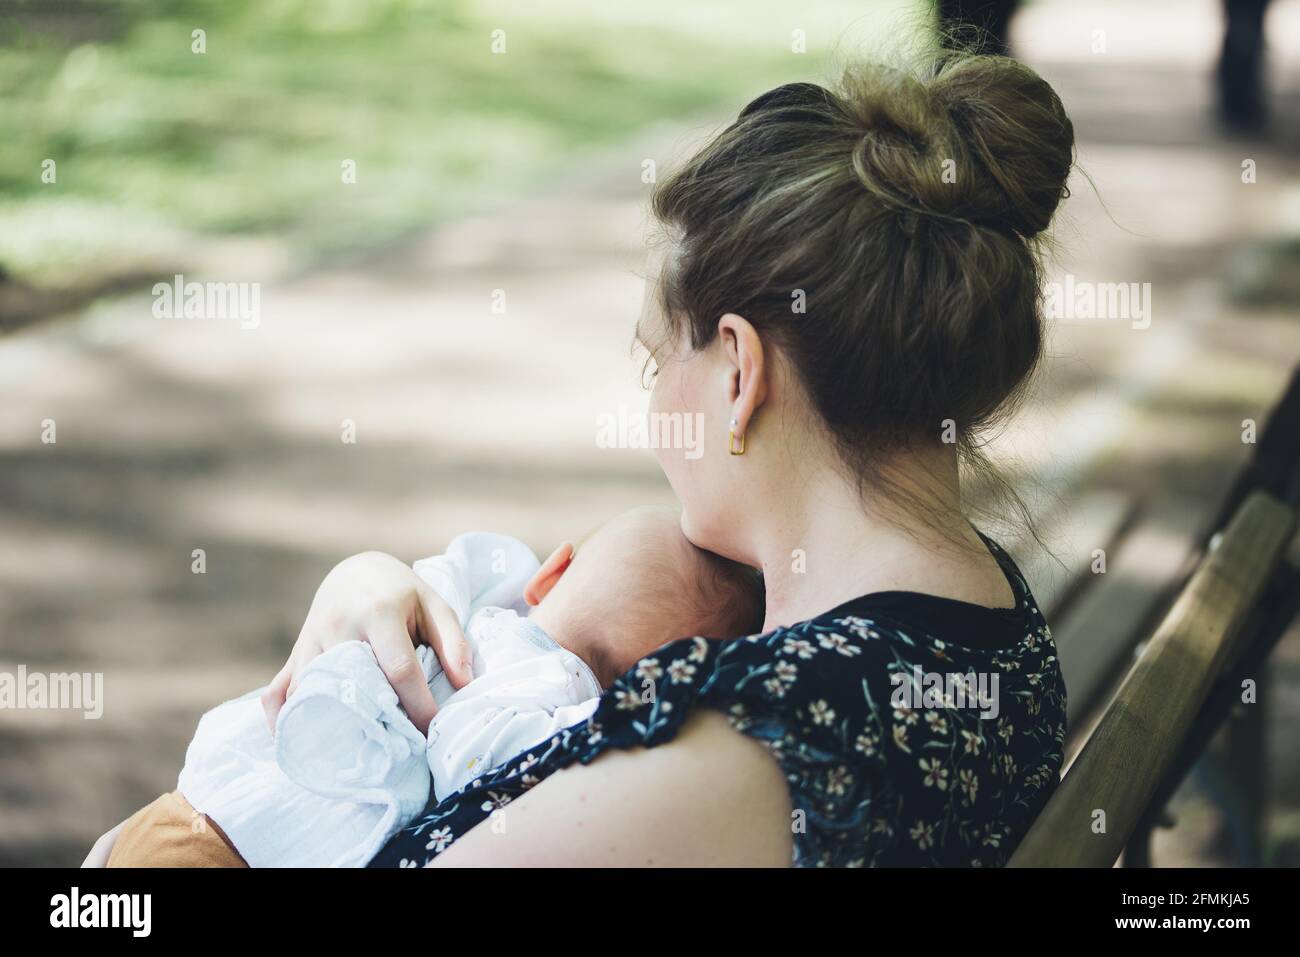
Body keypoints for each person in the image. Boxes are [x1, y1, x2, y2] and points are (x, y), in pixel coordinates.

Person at [88, 48, 1075, 868]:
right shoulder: (981, 626)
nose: (651, 407)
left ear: (738, 371)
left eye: (657, 358)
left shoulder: (753, 741)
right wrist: (373, 588)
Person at [101, 509, 761, 867]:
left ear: (553, 571)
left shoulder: (484, 599)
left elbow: (412, 581)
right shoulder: (565, 703)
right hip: (248, 848)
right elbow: (469, 760)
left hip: (205, 798)